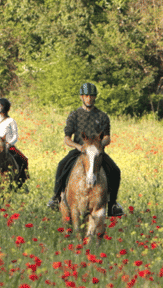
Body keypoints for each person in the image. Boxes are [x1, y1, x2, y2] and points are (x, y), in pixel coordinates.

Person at [47, 82, 122, 215]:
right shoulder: (74, 115)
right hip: (79, 151)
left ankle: (112, 204)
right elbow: (67, 139)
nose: (89, 99)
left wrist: (98, 146)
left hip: (97, 153)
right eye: (86, 96)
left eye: (92, 96)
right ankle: (56, 197)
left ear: (95, 97)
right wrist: (79, 146)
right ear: (81, 97)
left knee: (115, 170)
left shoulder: (102, 116)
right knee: (61, 165)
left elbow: (107, 137)